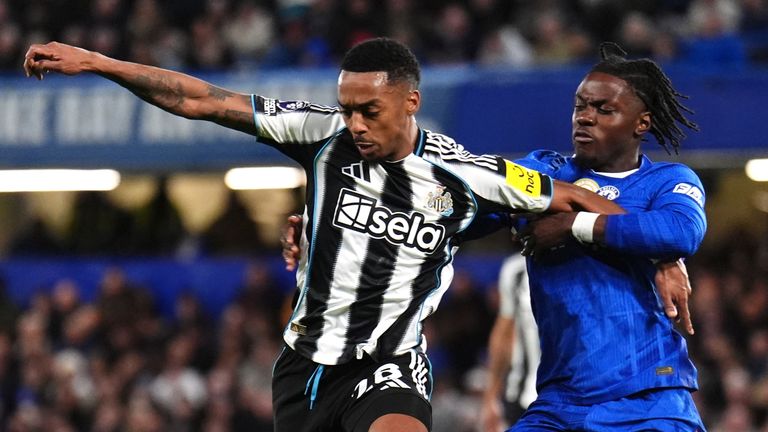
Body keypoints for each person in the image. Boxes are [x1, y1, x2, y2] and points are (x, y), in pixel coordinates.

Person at [23, 38, 625, 432]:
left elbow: (586, 199)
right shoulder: (321, 138)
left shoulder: (469, 174)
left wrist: (663, 261)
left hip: (389, 363)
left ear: (411, 101)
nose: (355, 124)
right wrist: (100, 64)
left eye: (370, 111)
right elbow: (201, 99)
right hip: (305, 368)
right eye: (346, 109)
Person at [506, 42, 708, 430]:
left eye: (604, 109)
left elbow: (678, 231)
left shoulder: (668, 181)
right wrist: (652, 250)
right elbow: (497, 196)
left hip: (648, 398)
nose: (585, 118)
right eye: (580, 105)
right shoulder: (545, 168)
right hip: (559, 399)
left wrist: (572, 223)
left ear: (641, 123)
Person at [480, 253, 538, 432]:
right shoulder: (516, 270)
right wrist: (490, 398)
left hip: (578, 396)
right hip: (523, 396)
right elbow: (505, 334)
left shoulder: (591, 262)